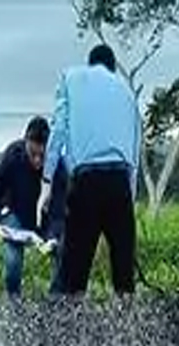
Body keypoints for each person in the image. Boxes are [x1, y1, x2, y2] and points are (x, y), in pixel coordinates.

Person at [36, 43, 142, 296]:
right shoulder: (127, 94)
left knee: (74, 270)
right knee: (124, 274)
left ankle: (65, 328)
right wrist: (128, 203)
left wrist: (47, 182)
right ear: (113, 68)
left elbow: (59, 130)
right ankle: (129, 328)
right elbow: (135, 157)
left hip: (87, 181)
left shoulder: (71, 78)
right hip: (120, 183)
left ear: (90, 63)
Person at [0, 116, 69, 299]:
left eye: (42, 155)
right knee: (13, 260)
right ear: (25, 143)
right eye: (33, 154)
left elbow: (60, 209)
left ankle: (55, 300)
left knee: (65, 248)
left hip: (47, 219)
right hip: (16, 214)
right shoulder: (12, 155)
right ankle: (13, 299)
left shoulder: (58, 166)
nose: (38, 161)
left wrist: (53, 237)